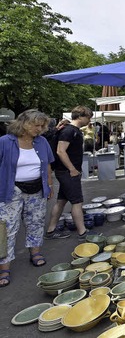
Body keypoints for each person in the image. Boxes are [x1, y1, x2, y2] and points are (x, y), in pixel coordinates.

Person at [0, 110, 55, 288]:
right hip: (11, 189)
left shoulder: (42, 141)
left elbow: (46, 164)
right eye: (36, 125)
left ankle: (35, 253)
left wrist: (49, 184)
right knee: (8, 228)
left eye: (42, 126)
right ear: (23, 123)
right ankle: (4, 267)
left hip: (37, 188)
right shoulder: (5, 142)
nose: (39, 129)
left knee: (36, 222)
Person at [45, 106, 93, 240]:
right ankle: (83, 233)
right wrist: (72, 169)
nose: (89, 120)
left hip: (65, 171)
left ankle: (51, 230)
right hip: (67, 172)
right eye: (88, 117)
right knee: (77, 202)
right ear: (81, 116)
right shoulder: (69, 131)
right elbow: (61, 151)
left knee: (61, 201)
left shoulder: (72, 130)